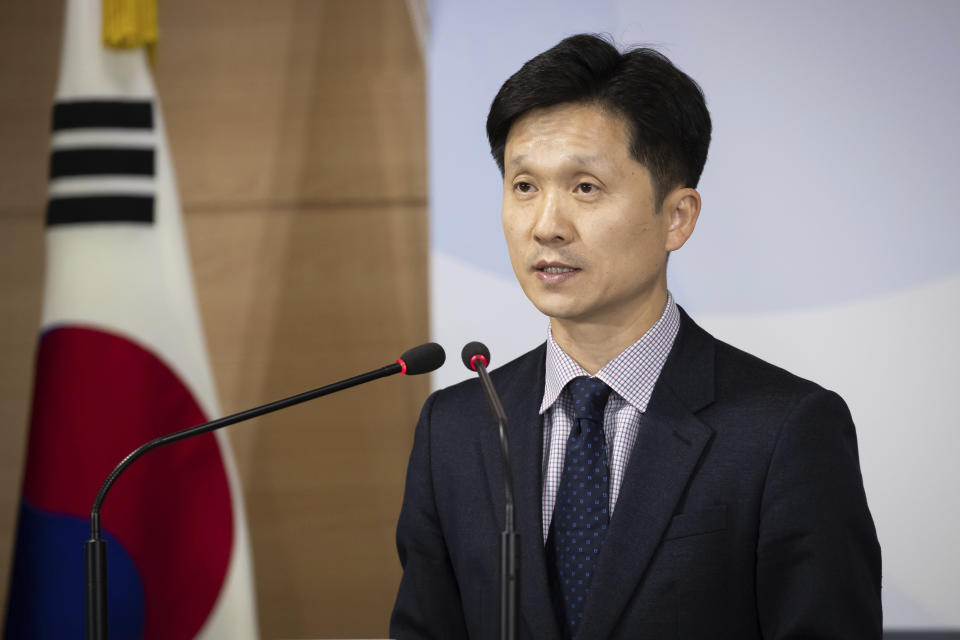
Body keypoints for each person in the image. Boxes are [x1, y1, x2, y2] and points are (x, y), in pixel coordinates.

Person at [390, 34, 882, 639]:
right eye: (524, 187)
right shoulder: (457, 428)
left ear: (677, 217)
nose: (546, 226)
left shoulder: (785, 430)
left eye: (585, 188)